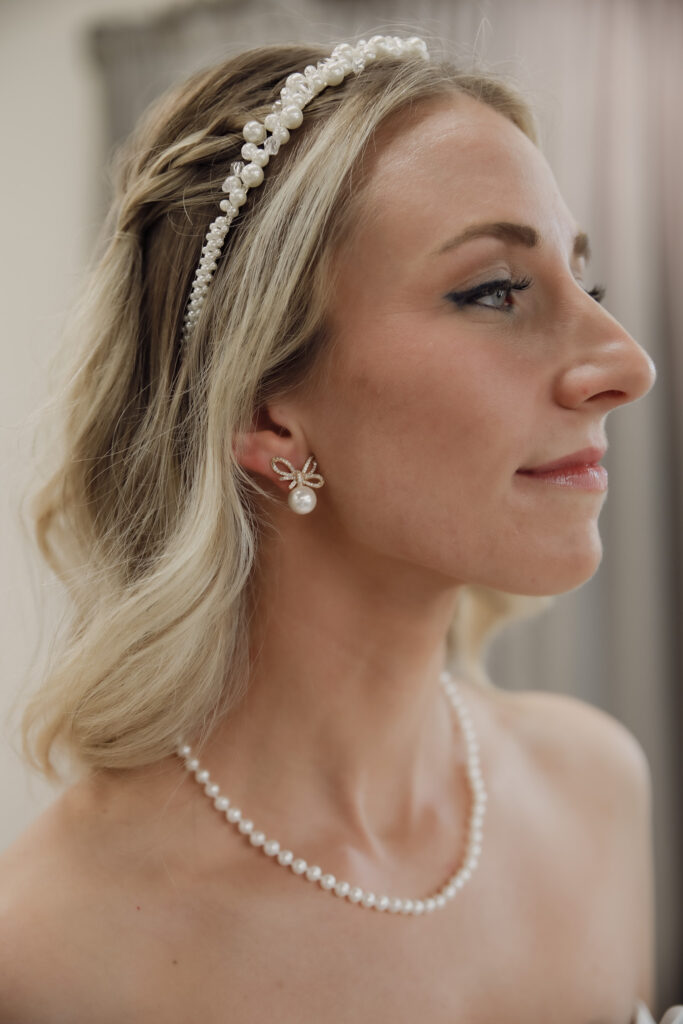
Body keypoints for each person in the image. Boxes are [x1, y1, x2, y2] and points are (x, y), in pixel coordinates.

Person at [0, 31, 676, 1024]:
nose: (625, 363)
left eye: (590, 287)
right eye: (494, 290)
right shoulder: (53, 950)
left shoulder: (594, 787)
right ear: (265, 413)